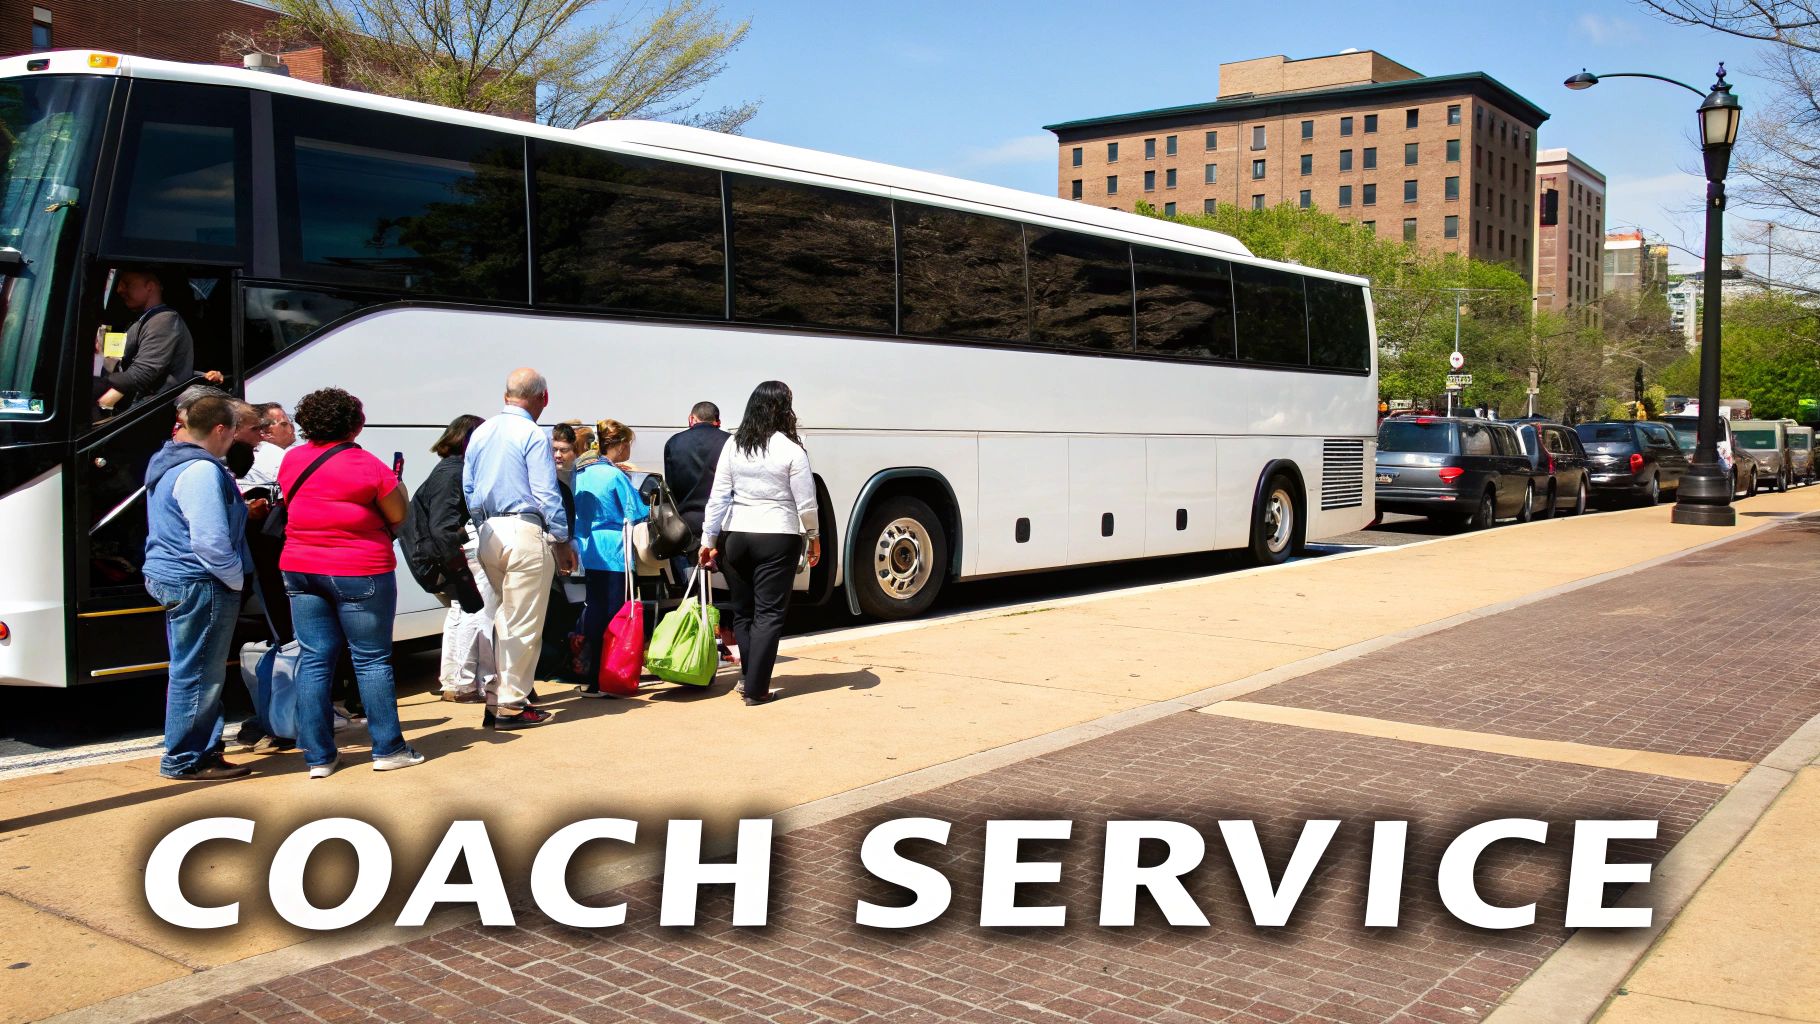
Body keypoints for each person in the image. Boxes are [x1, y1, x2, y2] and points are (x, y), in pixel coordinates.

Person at [278, 387, 425, 777]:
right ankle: (388, 748)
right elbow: (398, 514)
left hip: (299, 565)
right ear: (356, 425)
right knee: (372, 660)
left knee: (314, 660)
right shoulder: (369, 466)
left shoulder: (291, 459)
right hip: (359, 568)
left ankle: (319, 758)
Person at [143, 394, 253, 781]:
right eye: (234, 431)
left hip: (171, 575)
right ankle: (187, 758)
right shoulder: (202, 471)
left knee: (189, 669)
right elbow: (209, 540)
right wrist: (236, 578)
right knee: (201, 675)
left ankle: (198, 750)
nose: (235, 440)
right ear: (220, 429)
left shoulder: (168, 459)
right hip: (200, 581)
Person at [463, 368, 576, 729]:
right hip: (524, 529)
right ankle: (512, 704)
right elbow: (546, 492)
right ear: (543, 397)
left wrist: (482, 524)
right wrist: (561, 539)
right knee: (523, 624)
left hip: (488, 530)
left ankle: (497, 697)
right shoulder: (531, 432)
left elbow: (468, 488)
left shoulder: (481, 431)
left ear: (506, 394)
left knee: (502, 619)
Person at [699, 382, 820, 706]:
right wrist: (813, 537)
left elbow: (718, 497)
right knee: (769, 614)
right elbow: (806, 502)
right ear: (784, 409)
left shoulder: (734, 446)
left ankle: (747, 679)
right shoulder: (791, 449)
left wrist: (708, 540)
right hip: (776, 536)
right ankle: (756, 689)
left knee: (744, 612)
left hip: (735, 536)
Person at [571, 419, 650, 695]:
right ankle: (612, 674)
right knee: (616, 614)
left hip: (588, 548)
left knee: (593, 610)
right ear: (619, 444)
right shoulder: (615, 476)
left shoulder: (581, 473)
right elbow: (637, 511)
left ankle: (592, 677)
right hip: (615, 550)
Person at [422, 414, 495, 704]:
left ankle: (453, 681)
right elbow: (445, 521)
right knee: (477, 612)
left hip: (458, 548)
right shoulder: (457, 471)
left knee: (459, 612)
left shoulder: (446, 468)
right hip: (467, 546)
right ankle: (465, 683)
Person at [664, 400, 738, 655]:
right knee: (734, 584)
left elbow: (671, 488)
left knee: (693, 587)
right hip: (723, 523)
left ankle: (699, 645)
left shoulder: (674, 443)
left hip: (686, 524)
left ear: (691, 418)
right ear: (718, 420)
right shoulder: (729, 442)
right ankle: (732, 640)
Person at [96, 270, 194, 413]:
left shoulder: (164, 320)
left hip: (151, 410)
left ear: (149, 287)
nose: (119, 290)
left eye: (126, 284)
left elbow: (141, 375)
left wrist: (98, 384)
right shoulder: (141, 319)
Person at [240, 402, 297, 493]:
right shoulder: (275, 454)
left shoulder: (244, 454)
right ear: (264, 432)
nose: (292, 427)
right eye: (284, 423)